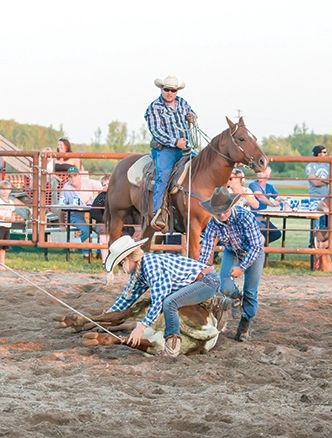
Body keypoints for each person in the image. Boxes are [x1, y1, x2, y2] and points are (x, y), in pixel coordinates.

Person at [104, 235, 219, 357]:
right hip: (199, 282)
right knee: (169, 301)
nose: (120, 269)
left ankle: (172, 348)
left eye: (120, 265)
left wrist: (141, 328)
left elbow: (158, 300)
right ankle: (213, 302)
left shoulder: (152, 266)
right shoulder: (141, 269)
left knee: (169, 303)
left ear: (127, 259)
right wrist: (112, 312)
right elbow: (129, 296)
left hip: (207, 281)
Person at [198, 187, 265, 342]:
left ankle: (244, 328)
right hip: (232, 251)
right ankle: (235, 298)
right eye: (218, 212)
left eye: (225, 211)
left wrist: (242, 267)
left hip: (254, 252)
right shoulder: (213, 224)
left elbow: (256, 246)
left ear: (231, 206)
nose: (222, 215)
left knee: (250, 291)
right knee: (225, 286)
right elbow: (207, 249)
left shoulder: (245, 216)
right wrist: (200, 270)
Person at [145, 75, 197, 231]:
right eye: (166, 89)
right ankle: (158, 213)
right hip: (165, 149)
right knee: (164, 175)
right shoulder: (154, 107)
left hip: (184, 148)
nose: (169, 93)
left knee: (200, 168)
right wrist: (175, 142)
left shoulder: (182, 103)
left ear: (176, 91)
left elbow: (192, 113)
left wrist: (192, 118)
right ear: (161, 89)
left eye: (173, 90)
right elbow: (156, 131)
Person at [59, 166, 100, 260]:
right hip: (75, 215)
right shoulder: (66, 188)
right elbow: (61, 207)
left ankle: (100, 252)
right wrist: (62, 224)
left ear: (79, 176)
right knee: (85, 229)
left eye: (75, 175)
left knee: (101, 227)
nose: (73, 178)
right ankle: (87, 254)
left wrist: (101, 199)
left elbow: (104, 186)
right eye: (70, 176)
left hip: (91, 214)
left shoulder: (88, 182)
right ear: (68, 178)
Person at [248, 166, 283, 243]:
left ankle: (258, 246)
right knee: (264, 231)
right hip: (253, 216)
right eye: (259, 172)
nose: (260, 174)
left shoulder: (269, 187)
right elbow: (260, 196)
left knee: (276, 233)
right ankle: (256, 247)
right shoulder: (253, 185)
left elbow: (278, 197)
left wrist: (285, 200)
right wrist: (272, 204)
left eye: (263, 172)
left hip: (263, 217)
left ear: (268, 175)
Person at [0, 180, 16, 269]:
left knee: (4, 247)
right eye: (2, 189)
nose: (5, 191)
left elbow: (13, 213)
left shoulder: (11, 202)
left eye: (7, 189)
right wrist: (4, 218)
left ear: (10, 190)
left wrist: (12, 219)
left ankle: (2, 263)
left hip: (7, 226)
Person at [306, 145, 330, 230]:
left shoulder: (327, 165)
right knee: (315, 224)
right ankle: (312, 242)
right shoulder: (311, 166)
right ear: (319, 154)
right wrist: (325, 180)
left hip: (326, 198)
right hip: (315, 198)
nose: (326, 154)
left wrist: (319, 179)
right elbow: (315, 182)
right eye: (324, 152)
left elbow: (330, 180)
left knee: (325, 223)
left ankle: (324, 242)